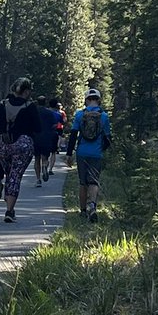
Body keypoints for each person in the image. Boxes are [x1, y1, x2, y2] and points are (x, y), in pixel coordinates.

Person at [0, 77, 41, 223]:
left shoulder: (1, 105)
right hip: (23, 145)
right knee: (15, 176)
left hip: (3, 146)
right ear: (26, 92)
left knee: (9, 174)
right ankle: (9, 210)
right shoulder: (30, 106)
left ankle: (8, 197)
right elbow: (38, 128)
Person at [66, 87, 112, 223]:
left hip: (82, 152)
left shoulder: (80, 115)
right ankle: (92, 206)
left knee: (83, 182)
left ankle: (82, 211)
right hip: (96, 153)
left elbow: (73, 135)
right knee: (94, 181)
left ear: (86, 100)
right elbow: (108, 138)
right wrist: (102, 149)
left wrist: (69, 154)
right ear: (99, 100)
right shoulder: (104, 117)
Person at [31, 94, 62, 185]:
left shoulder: (34, 112)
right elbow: (55, 125)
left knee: (37, 159)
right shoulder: (49, 113)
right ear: (45, 103)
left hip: (35, 138)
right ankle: (45, 166)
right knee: (45, 157)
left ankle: (38, 179)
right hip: (47, 137)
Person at [47, 99, 65, 174]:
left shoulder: (45, 112)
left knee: (44, 152)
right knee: (53, 152)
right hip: (54, 133)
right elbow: (62, 122)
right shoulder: (58, 114)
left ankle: (45, 165)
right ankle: (50, 169)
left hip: (45, 134)